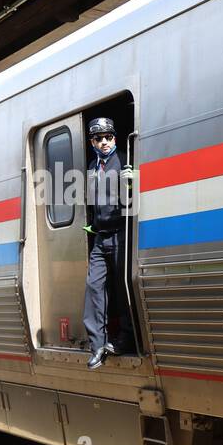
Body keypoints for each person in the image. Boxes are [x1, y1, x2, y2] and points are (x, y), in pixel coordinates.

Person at [82, 117, 135, 369]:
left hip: (121, 233)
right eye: (98, 138)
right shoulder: (92, 167)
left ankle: (125, 339)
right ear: (92, 141)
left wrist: (133, 181)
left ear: (115, 138)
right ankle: (98, 346)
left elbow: (136, 199)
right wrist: (92, 223)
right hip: (101, 237)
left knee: (122, 287)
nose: (104, 142)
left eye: (109, 137)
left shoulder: (126, 160)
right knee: (94, 287)